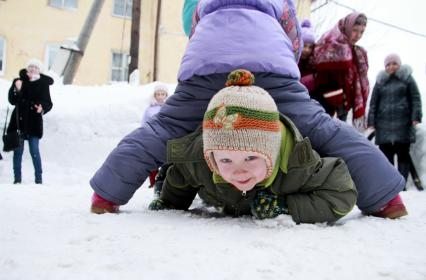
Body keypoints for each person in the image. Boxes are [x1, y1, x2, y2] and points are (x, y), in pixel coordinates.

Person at [90, 0, 406, 219]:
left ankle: (107, 194)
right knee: (319, 127)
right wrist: (286, 62)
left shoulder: (204, 3)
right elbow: (293, 37)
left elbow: (195, 30)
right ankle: (385, 197)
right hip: (270, 68)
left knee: (166, 127)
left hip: (205, 68)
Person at [148, 70, 358, 223]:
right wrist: (170, 202)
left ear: (271, 151)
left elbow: (341, 193)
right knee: (175, 165)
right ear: (212, 159)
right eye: (226, 160)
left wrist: (285, 206)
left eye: (251, 158)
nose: (239, 170)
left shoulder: (296, 164)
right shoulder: (199, 161)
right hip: (204, 149)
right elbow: (181, 175)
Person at [368, 53, 422, 189]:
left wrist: (416, 117)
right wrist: (371, 120)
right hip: (383, 125)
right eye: (388, 64)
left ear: (399, 65)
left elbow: (415, 98)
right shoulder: (380, 82)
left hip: (403, 123)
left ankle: (402, 184)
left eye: (394, 64)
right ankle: (390, 184)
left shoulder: (407, 79)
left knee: (403, 155)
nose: (391, 67)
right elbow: (373, 102)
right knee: (386, 157)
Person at [314, 12, 369, 127]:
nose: (358, 35)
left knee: (334, 141)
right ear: (347, 27)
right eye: (355, 30)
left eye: (362, 32)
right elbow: (321, 74)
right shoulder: (330, 42)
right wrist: (335, 98)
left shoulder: (356, 52)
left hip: (343, 108)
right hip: (323, 103)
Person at [7, 58, 53, 184]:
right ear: (27, 68)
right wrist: (17, 89)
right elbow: (12, 100)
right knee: (18, 152)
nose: (32, 69)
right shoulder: (19, 81)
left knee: (34, 151)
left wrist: (41, 108)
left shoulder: (43, 84)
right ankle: (17, 179)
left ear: (39, 70)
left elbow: (48, 102)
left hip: (34, 122)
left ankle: (38, 179)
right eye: (30, 67)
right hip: (19, 121)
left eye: (35, 67)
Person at [141, 83, 169, 189]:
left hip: (166, 137)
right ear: (154, 95)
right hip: (153, 137)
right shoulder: (149, 109)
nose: (160, 97)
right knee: (152, 160)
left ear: (166, 95)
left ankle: (165, 181)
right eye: (158, 94)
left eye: (163, 94)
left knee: (166, 161)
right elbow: (144, 122)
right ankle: (153, 182)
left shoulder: (169, 107)